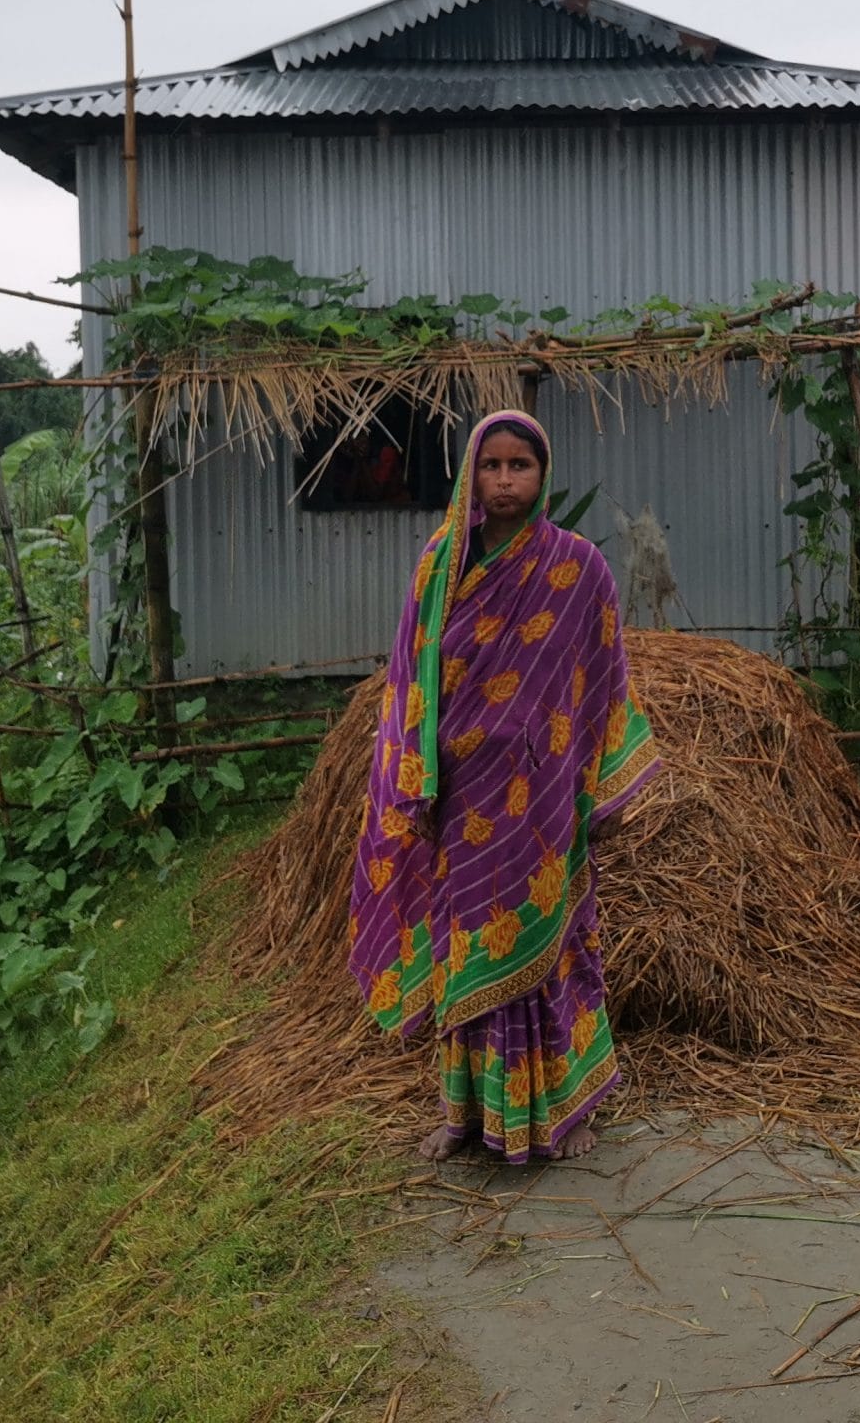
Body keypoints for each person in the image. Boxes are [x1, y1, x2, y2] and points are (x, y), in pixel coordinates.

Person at [348, 410, 662, 1164]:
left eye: (521, 465)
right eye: (492, 466)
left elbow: (603, 678)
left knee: (553, 944)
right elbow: (410, 675)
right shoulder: (439, 565)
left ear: (542, 473)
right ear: (471, 475)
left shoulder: (578, 568)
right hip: (461, 798)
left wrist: (599, 785)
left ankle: (568, 1107)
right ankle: (466, 1113)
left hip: (546, 797)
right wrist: (414, 780)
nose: (505, 479)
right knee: (469, 947)